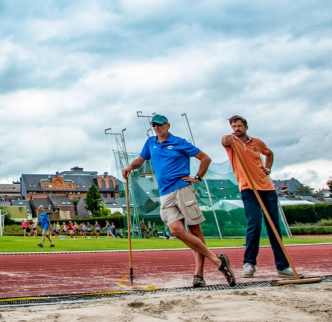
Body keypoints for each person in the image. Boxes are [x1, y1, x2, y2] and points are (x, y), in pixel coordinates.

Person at [123, 114, 236, 287]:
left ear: (168, 125)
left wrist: (197, 177)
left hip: (183, 189)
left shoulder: (179, 142)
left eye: (160, 125)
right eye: (154, 125)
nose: (157, 128)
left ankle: (199, 274)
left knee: (195, 231)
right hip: (165, 193)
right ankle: (218, 260)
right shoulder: (151, 142)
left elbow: (205, 158)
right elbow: (140, 160)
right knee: (175, 230)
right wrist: (130, 167)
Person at [221, 115, 292, 279]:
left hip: (267, 187)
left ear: (246, 127)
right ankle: (249, 263)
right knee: (255, 223)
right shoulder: (232, 142)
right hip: (248, 187)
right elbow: (224, 141)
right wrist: (227, 138)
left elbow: (269, 154)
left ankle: (282, 266)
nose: (237, 129)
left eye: (239, 126)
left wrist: (268, 168)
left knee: (274, 226)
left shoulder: (257, 142)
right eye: (234, 127)